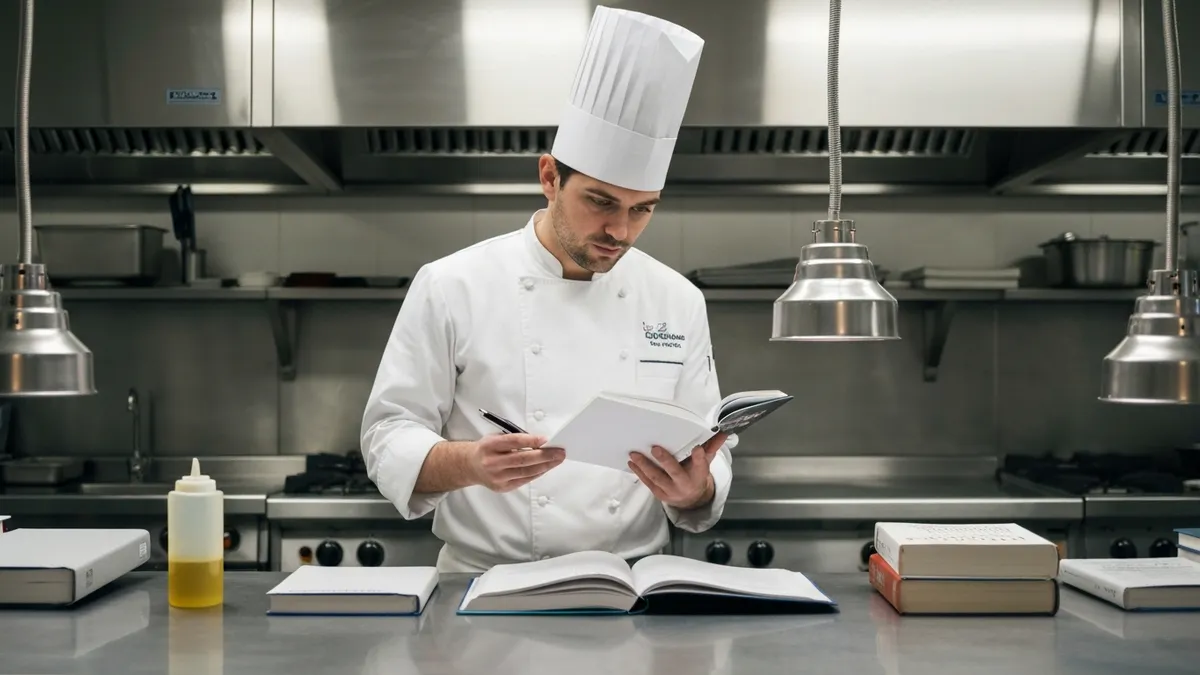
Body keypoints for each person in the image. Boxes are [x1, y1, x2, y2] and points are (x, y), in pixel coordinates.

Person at [360, 5, 737, 573]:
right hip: (485, 589)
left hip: (631, 587)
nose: (620, 231)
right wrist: (466, 464)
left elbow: (709, 446)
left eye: (642, 211)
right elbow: (388, 432)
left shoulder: (677, 299)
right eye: (601, 202)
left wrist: (695, 492)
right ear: (549, 178)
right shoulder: (452, 284)